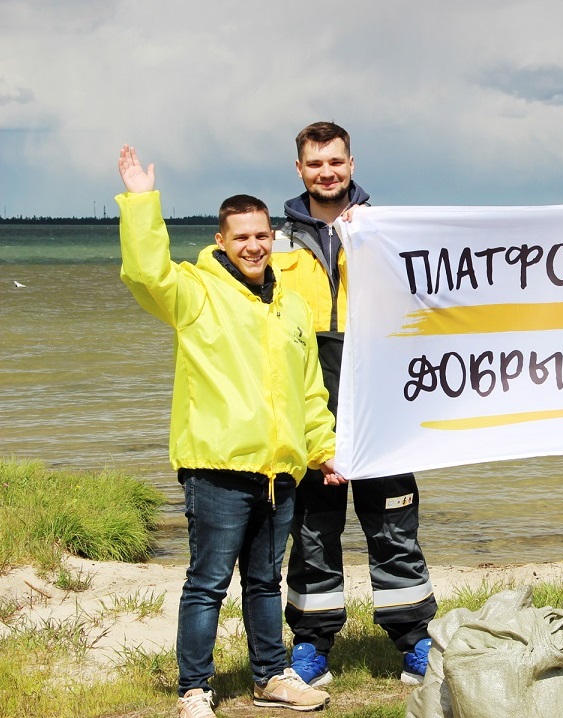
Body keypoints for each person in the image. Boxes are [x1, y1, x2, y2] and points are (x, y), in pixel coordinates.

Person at [116, 145, 341, 717]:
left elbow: (309, 390)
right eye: (241, 237)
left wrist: (323, 449)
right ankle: (194, 690)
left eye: (262, 235)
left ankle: (271, 677)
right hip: (217, 467)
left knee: (265, 582)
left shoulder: (291, 307)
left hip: (278, 470)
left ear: (273, 238)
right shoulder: (195, 292)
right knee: (208, 583)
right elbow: (146, 273)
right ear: (222, 240)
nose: (254, 245)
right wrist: (141, 203)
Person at [272, 122, 437, 687]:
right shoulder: (275, 243)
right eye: (315, 163)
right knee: (312, 532)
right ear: (299, 169)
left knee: (394, 524)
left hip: (382, 401)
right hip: (310, 404)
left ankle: (414, 639)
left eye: (336, 161)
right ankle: (311, 643)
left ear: (352, 164)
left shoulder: (386, 232)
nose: (327, 172)